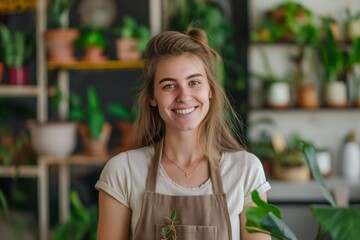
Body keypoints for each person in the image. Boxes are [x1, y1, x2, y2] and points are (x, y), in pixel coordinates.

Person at [95, 28, 271, 240]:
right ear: (153, 97)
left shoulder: (246, 171)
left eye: (194, 82)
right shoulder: (123, 171)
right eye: (169, 86)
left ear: (210, 90)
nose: (184, 96)